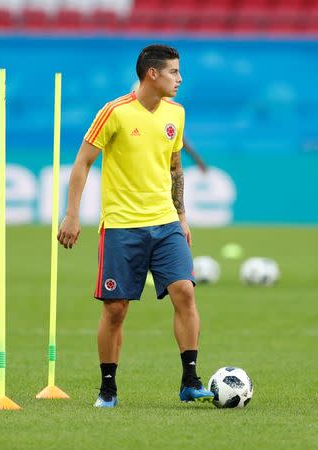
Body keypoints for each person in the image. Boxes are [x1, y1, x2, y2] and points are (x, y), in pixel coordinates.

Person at [57, 44, 214, 408]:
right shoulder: (114, 113)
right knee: (116, 309)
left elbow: (175, 168)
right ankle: (108, 388)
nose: (180, 78)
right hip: (122, 227)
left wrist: (182, 216)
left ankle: (190, 380)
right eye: (174, 72)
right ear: (152, 74)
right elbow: (82, 164)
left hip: (165, 223)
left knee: (186, 292)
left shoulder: (177, 112)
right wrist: (72, 213)